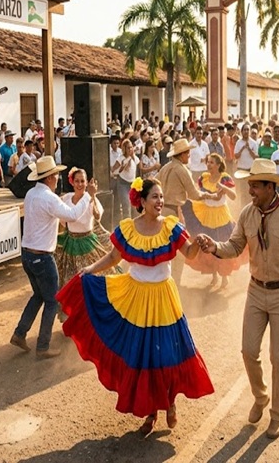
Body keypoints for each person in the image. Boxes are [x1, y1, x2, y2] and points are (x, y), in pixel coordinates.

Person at [57, 177, 214, 436]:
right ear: (141, 201)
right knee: (144, 355)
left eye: (161, 197)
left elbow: (190, 253)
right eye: (155, 197)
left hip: (164, 298)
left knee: (168, 354)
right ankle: (151, 412)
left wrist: (199, 242)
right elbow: (113, 256)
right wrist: (91, 269)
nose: (160, 201)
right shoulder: (129, 228)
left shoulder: (171, 227)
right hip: (135, 298)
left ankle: (170, 403)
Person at [196, 158, 279, 439]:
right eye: (249, 184)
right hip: (255, 291)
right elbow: (234, 246)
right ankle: (260, 396)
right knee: (248, 352)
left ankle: (276, 415)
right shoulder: (247, 214)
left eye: (254, 186)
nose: (249, 190)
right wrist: (214, 246)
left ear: (270, 187)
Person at [10, 156, 97, 358]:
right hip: (42, 256)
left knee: (39, 295)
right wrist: (87, 196)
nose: (57, 178)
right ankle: (42, 346)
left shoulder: (32, 194)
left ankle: (20, 333)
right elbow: (73, 215)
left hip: (28, 255)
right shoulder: (49, 198)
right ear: (49, 178)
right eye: (55, 175)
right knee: (52, 301)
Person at [182, 153, 244, 288]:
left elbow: (233, 196)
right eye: (208, 162)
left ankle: (224, 276)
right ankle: (214, 275)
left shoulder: (225, 178)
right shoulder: (203, 178)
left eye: (211, 162)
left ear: (218, 165)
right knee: (207, 244)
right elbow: (198, 194)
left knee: (222, 244)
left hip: (221, 216)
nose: (208, 164)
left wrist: (225, 188)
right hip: (205, 214)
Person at [157, 139, 208, 283]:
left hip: (161, 212)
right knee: (179, 250)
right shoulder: (182, 169)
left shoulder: (165, 167)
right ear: (181, 154)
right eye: (187, 153)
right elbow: (194, 195)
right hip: (173, 213)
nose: (189, 155)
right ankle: (174, 283)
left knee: (161, 247)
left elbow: (152, 183)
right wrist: (209, 195)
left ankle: (164, 280)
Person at [55, 167, 112, 290]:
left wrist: (93, 196)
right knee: (69, 279)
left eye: (82, 181)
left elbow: (97, 216)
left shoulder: (90, 198)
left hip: (87, 242)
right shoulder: (66, 198)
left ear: (87, 183)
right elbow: (61, 219)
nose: (80, 184)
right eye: (77, 181)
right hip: (70, 242)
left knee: (90, 277)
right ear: (72, 182)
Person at [111, 139, 138, 223]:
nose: (130, 149)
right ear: (124, 149)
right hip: (123, 183)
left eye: (131, 147)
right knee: (126, 205)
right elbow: (113, 168)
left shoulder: (134, 158)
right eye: (128, 148)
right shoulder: (121, 158)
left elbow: (138, 166)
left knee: (134, 206)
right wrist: (116, 172)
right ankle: (127, 226)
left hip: (132, 184)